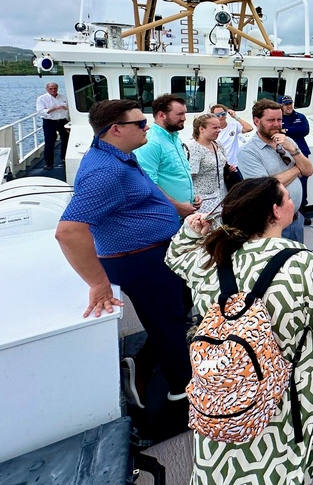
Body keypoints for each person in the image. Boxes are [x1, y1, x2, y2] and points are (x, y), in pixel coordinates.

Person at [166, 177, 313, 484]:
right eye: (286, 197)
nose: (291, 201)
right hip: (291, 388)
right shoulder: (304, 265)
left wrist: (191, 230)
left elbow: (175, 257)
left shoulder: (210, 259)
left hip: (226, 384)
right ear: (276, 211)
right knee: (287, 458)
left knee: (225, 453)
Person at [55, 99, 191, 408]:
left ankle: (142, 364)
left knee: (176, 310)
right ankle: (182, 391)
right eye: (140, 123)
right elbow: (68, 231)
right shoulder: (105, 172)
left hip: (153, 252)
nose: (146, 127)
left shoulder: (119, 157)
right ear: (116, 130)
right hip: (139, 259)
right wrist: (98, 284)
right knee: (168, 323)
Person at [238, 99, 313, 243]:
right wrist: (297, 169)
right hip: (272, 225)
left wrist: (292, 149)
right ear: (256, 121)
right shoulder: (248, 152)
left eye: (279, 119)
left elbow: (309, 170)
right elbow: (265, 187)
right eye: (271, 120)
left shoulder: (288, 142)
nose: (277, 124)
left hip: (296, 219)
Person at [135, 94, 200, 218]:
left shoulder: (175, 138)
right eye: (179, 114)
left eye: (184, 113)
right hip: (166, 217)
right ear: (161, 115)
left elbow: (177, 174)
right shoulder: (151, 143)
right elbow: (147, 183)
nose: (184, 118)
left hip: (183, 214)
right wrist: (177, 207)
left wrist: (193, 196)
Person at [279, 95, 313, 225]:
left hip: (301, 153)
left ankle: (303, 211)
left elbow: (304, 130)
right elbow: (277, 131)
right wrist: (291, 131)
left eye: (290, 103)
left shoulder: (300, 117)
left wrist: (286, 130)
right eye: (286, 104)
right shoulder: (279, 118)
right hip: (284, 155)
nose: (289, 106)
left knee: (303, 183)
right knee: (286, 183)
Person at [187, 114, 228, 216]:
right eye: (215, 128)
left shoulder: (217, 144)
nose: (219, 130)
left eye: (219, 127)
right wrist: (192, 198)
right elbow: (189, 178)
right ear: (201, 129)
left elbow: (223, 163)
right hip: (204, 200)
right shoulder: (194, 148)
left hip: (222, 196)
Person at [36, 81, 70, 170]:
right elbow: (40, 111)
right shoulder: (41, 99)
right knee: (50, 142)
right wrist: (53, 109)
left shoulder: (64, 97)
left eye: (55, 88)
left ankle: (64, 157)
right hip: (49, 122)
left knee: (66, 140)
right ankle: (49, 163)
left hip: (63, 121)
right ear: (47, 89)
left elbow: (69, 109)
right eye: (51, 89)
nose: (53, 90)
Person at [210, 103, 252, 167]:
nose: (221, 117)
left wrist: (235, 117)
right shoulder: (211, 130)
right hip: (220, 165)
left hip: (234, 164)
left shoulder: (234, 125)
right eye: (217, 115)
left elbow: (249, 128)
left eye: (223, 114)